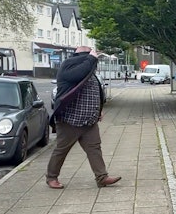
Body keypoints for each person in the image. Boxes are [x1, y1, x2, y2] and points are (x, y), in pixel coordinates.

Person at [46, 46, 121, 189]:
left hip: (89, 122)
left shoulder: (90, 72)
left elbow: (97, 92)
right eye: (90, 57)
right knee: (61, 149)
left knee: (94, 148)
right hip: (70, 121)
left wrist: (98, 110)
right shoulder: (68, 66)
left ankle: (102, 177)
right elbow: (77, 75)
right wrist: (91, 58)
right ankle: (51, 177)